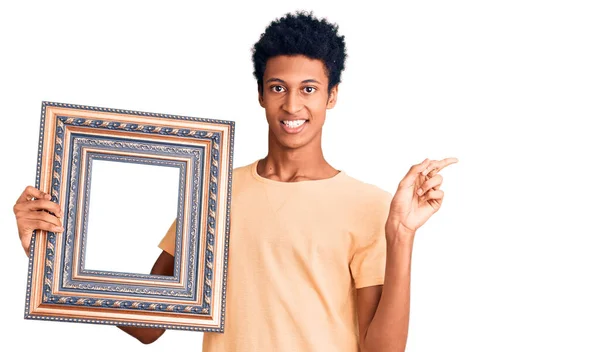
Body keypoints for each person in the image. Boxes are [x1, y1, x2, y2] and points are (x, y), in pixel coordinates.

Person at [13, 11, 457, 352]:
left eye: (309, 88)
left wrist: (400, 235)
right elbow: (148, 325)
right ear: (261, 93)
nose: (292, 105)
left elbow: (380, 348)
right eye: (278, 87)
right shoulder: (213, 191)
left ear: (331, 96)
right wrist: (51, 258)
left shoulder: (368, 206)